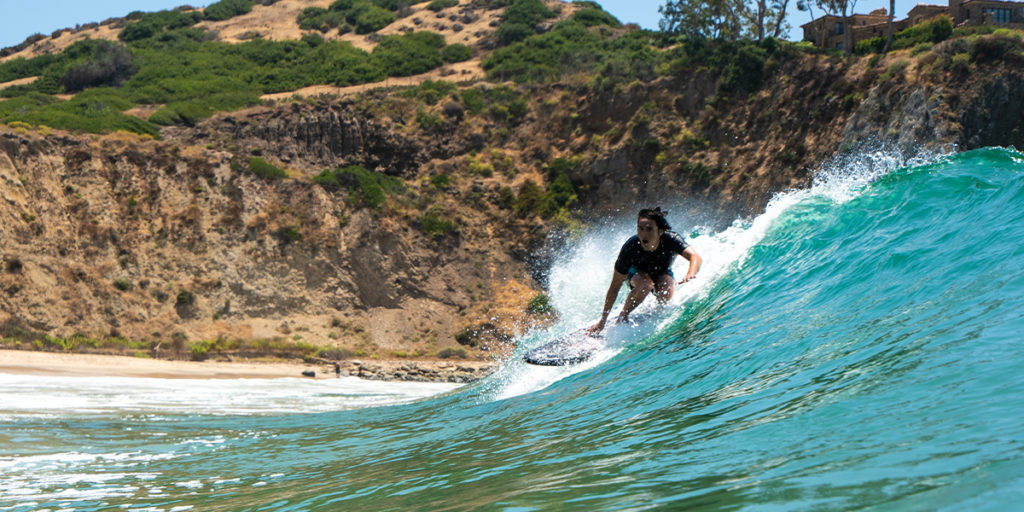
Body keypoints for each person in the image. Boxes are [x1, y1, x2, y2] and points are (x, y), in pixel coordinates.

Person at [588, 207, 701, 335]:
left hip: (662, 272)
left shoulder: (671, 239)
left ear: (660, 231)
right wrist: (602, 321)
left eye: (649, 229)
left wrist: (691, 272)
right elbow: (614, 287)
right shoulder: (630, 247)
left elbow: (694, 257)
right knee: (645, 284)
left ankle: (656, 312)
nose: (643, 234)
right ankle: (623, 316)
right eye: (640, 229)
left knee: (667, 287)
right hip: (636, 274)